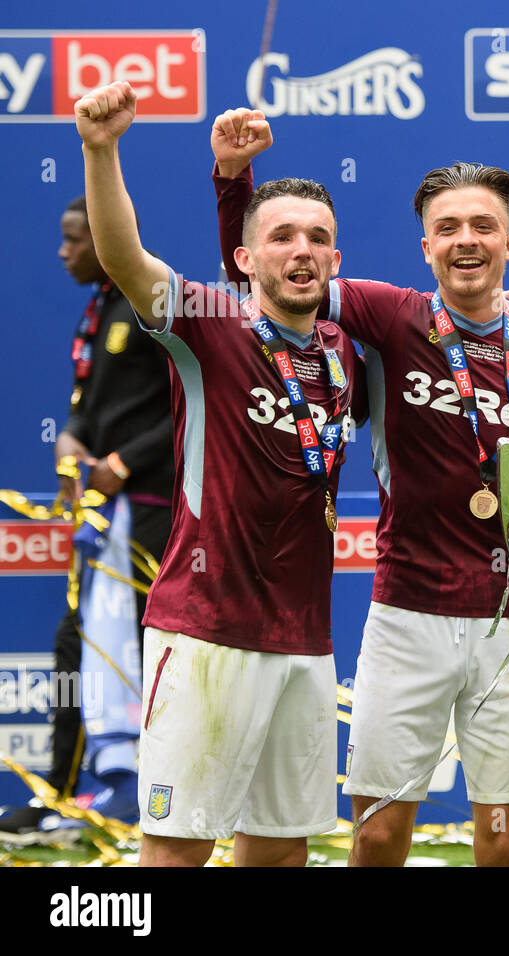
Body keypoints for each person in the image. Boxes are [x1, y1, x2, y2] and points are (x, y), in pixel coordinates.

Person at [210, 109, 509, 866]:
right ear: (426, 247)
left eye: (483, 226)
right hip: (406, 613)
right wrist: (232, 184)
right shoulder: (387, 315)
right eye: (447, 228)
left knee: (504, 837)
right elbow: (270, 280)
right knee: (380, 832)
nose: (466, 241)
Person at [75, 80, 365, 866]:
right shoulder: (208, 327)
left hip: (305, 644)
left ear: (335, 259)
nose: (300, 251)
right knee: (174, 856)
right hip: (206, 633)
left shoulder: (343, 354)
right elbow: (124, 259)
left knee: (278, 852)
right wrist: (102, 151)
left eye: (317, 238)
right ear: (245, 256)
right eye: (281, 238)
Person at [0, 198, 173, 838]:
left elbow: (190, 404)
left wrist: (126, 462)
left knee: (151, 650)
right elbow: (89, 404)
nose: (62, 251)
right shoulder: (100, 308)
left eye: (75, 240)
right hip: (103, 518)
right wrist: (70, 439)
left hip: (151, 512)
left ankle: (154, 796)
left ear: (104, 241)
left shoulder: (157, 305)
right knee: (77, 645)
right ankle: (60, 794)